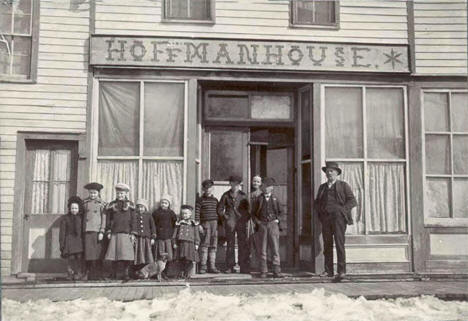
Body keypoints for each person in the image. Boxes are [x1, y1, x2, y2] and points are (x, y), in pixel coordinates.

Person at [314, 161, 357, 282]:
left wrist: (342, 210)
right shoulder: (322, 187)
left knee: (339, 243)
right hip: (326, 219)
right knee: (327, 244)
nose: (329, 173)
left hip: (339, 219)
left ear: (337, 173)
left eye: (332, 171)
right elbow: (317, 202)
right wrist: (321, 213)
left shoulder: (343, 185)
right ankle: (328, 271)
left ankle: (341, 271)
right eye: (327, 171)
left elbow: (352, 201)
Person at [251, 177, 284, 278]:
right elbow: (253, 214)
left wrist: (277, 220)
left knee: (275, 248)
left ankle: (276, 270)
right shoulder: (258, 199)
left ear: (271, 188)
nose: (265, 188)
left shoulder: (275, 199)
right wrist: (258, 222)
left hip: (273, 225)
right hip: (262, 226)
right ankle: (263, 270)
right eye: (263, 186)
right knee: (263, 248)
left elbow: (281, 212)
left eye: (267, 186)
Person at [217, 175, 250, 274]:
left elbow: (248, 210)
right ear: (230, 184)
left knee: (242, 244)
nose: (235, 186)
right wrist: (225, 218)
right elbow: (220, 209)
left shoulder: (243, 195)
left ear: (239, 185)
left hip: (241, 222)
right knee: (230, 244)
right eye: (232, 184)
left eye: (237, 184)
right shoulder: (226, 195)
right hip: (230, 222)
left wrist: (244, 219)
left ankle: (243, 265)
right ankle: (229, 266)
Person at [104, 183, 137, 281]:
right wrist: (109, 231)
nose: (120, 195)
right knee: (114, 254)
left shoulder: (130, 205)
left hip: (126, 233)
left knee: (126, 255)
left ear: (126, 193)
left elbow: (133, 220)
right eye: (118, 193)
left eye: (122, 193)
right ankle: (114, 274)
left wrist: (133, 233)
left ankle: (126, 274)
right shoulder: (112, 205)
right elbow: (109, 219)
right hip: (115, 233)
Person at [82, 182, 107, 280]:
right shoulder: (85, 203)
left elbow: (104, 218)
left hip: (97, 231)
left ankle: (99, 274)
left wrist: (102, 231)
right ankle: (87, 274)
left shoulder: (102, 204)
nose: (92, 195)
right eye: (91, 193)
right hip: (87, 231)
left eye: (95, 193)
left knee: (98, 253)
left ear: (98, 193)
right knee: (88, 253)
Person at [195, 179, 220, 274]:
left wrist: (219, 226)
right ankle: (203, 266)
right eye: (206, 188)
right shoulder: (200, 200)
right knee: (205, 244)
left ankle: (212, 266)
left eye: (210, 188)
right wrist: (199, 225)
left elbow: (218, 213)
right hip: (205, 224)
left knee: (213, 245)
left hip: (215, 224)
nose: (208, 190)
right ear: (203, 189)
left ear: (213, 188)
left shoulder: (215, 200)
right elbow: (197, 213)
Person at [59, 196, 85, 281]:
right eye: (72, 208)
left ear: (79, 208)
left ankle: (78, 273)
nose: (74, 210)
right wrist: (62, 244)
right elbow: (62, 232)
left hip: (79, 241)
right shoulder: (65, 218)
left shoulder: (81, 218)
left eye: (76, 208)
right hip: (69, 241)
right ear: (69, 208)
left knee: (78, 258)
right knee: (71, 258)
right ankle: (70, 273)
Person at [173, 205, 200, 280]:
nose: (184, 215)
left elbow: (196, 235)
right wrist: (174, 242)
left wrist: (197, 243)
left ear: (190, 214)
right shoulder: (179, 223)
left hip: (190, 244)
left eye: (186, 213)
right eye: (183, 214)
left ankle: (187, 274)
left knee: (189, 259)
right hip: (181, 244)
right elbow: (175, 234)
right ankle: (181, 273)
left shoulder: (193, 224)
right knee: (181, 259)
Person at [152, 195, 178, 270]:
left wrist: (172, 233)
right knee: (161, 252)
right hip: (159, 236)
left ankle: (168, 269)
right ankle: (160, 269)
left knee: (169, 253)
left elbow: (174, 223)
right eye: (162, 203)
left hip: (168, 237)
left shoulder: (171, 213)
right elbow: (153, 224)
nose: (163, 204)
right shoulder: (156, 213)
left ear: (169, 204)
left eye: (166, 203)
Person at [133, 199, 157, 277]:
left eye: (142, 207)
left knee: (147, 254)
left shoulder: (149, 215)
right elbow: (133, 226)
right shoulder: (135, 215)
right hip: (138, 238)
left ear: (145, 208)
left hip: (147, 238)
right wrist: (133, 235)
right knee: (139, 254)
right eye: (139, 207)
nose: (140, 209)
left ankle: (147, 272)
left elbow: (152, 226)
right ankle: (138, 272)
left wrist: (153, 237)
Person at [248, 175, 263, 271]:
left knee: (259, 242)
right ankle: (252, 264)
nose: (255, 183)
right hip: (250, 220)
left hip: (259, 221)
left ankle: (259, 264)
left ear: (260, 183)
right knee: (250, 241)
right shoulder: (249, 194)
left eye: (257, 182)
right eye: (254, 181)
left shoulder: (261, 194)